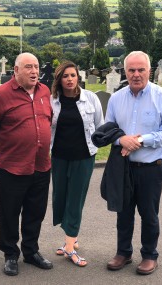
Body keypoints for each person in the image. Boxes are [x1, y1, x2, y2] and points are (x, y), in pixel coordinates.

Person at [105, 51, 162, 275]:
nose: (136, 74)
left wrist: (140, 140)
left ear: (150, 70)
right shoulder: (117, 99)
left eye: (141, 70)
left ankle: (149, 255)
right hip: (124, 168)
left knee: (149, 214)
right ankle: (123, 252)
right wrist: (121, 139)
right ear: (125, 72)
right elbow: (108, 130)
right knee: (123, 213)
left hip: (151, 169)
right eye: (131, 70)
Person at [0, 52, 53, 276]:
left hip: (41, 164)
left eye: (36, 67)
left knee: (36, 211)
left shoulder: (44, 91)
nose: (34, 72)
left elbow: (47, 121)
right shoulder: (0, 96)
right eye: (28, 67)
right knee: (10, 212)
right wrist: (9, 147)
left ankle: (31, 251)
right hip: (12, 166)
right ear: (16, 70)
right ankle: (10, 254)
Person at [50, 61, 104, 267]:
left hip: (83, 157)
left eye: (73, 75)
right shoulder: (52, 101)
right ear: (59, 79)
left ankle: (70, 246)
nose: (70, 79)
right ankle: (71, 236)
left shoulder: (90, 99)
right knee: (61, 198)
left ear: (78, 77)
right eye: (65, 76)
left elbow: (100, 125)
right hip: (59, 157)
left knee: (75, 198)